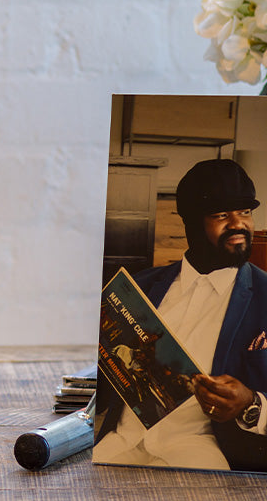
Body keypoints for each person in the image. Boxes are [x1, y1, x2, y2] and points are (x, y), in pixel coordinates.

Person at [95, 157, 267, 471]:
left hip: (203, 452)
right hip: (118, 444)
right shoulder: (138, 288)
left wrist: (251, 403)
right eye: (221, 215)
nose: (238, 224)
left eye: (245, 212)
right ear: (190, 223)